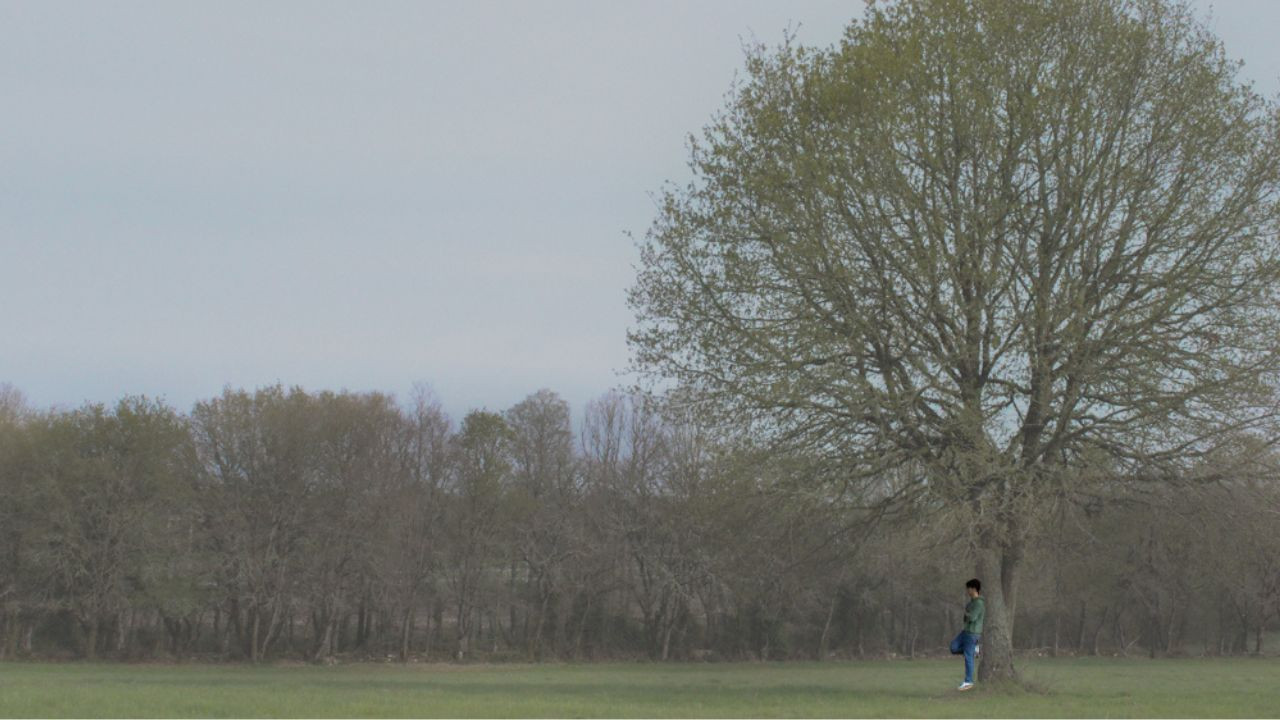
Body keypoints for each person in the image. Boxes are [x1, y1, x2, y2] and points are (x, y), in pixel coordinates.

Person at [949, 578, 983, 691]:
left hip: (973, 633)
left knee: (968, 657)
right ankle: (974, 650)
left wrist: (967, 614)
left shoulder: (979, 604)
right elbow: (966, 618)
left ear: (974, 589)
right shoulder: (971, 603)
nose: (967, 591)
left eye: (968, 588)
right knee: (953, 647)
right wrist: (966, 614)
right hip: (965, 631)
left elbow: (972, 618)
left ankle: (968, 682)